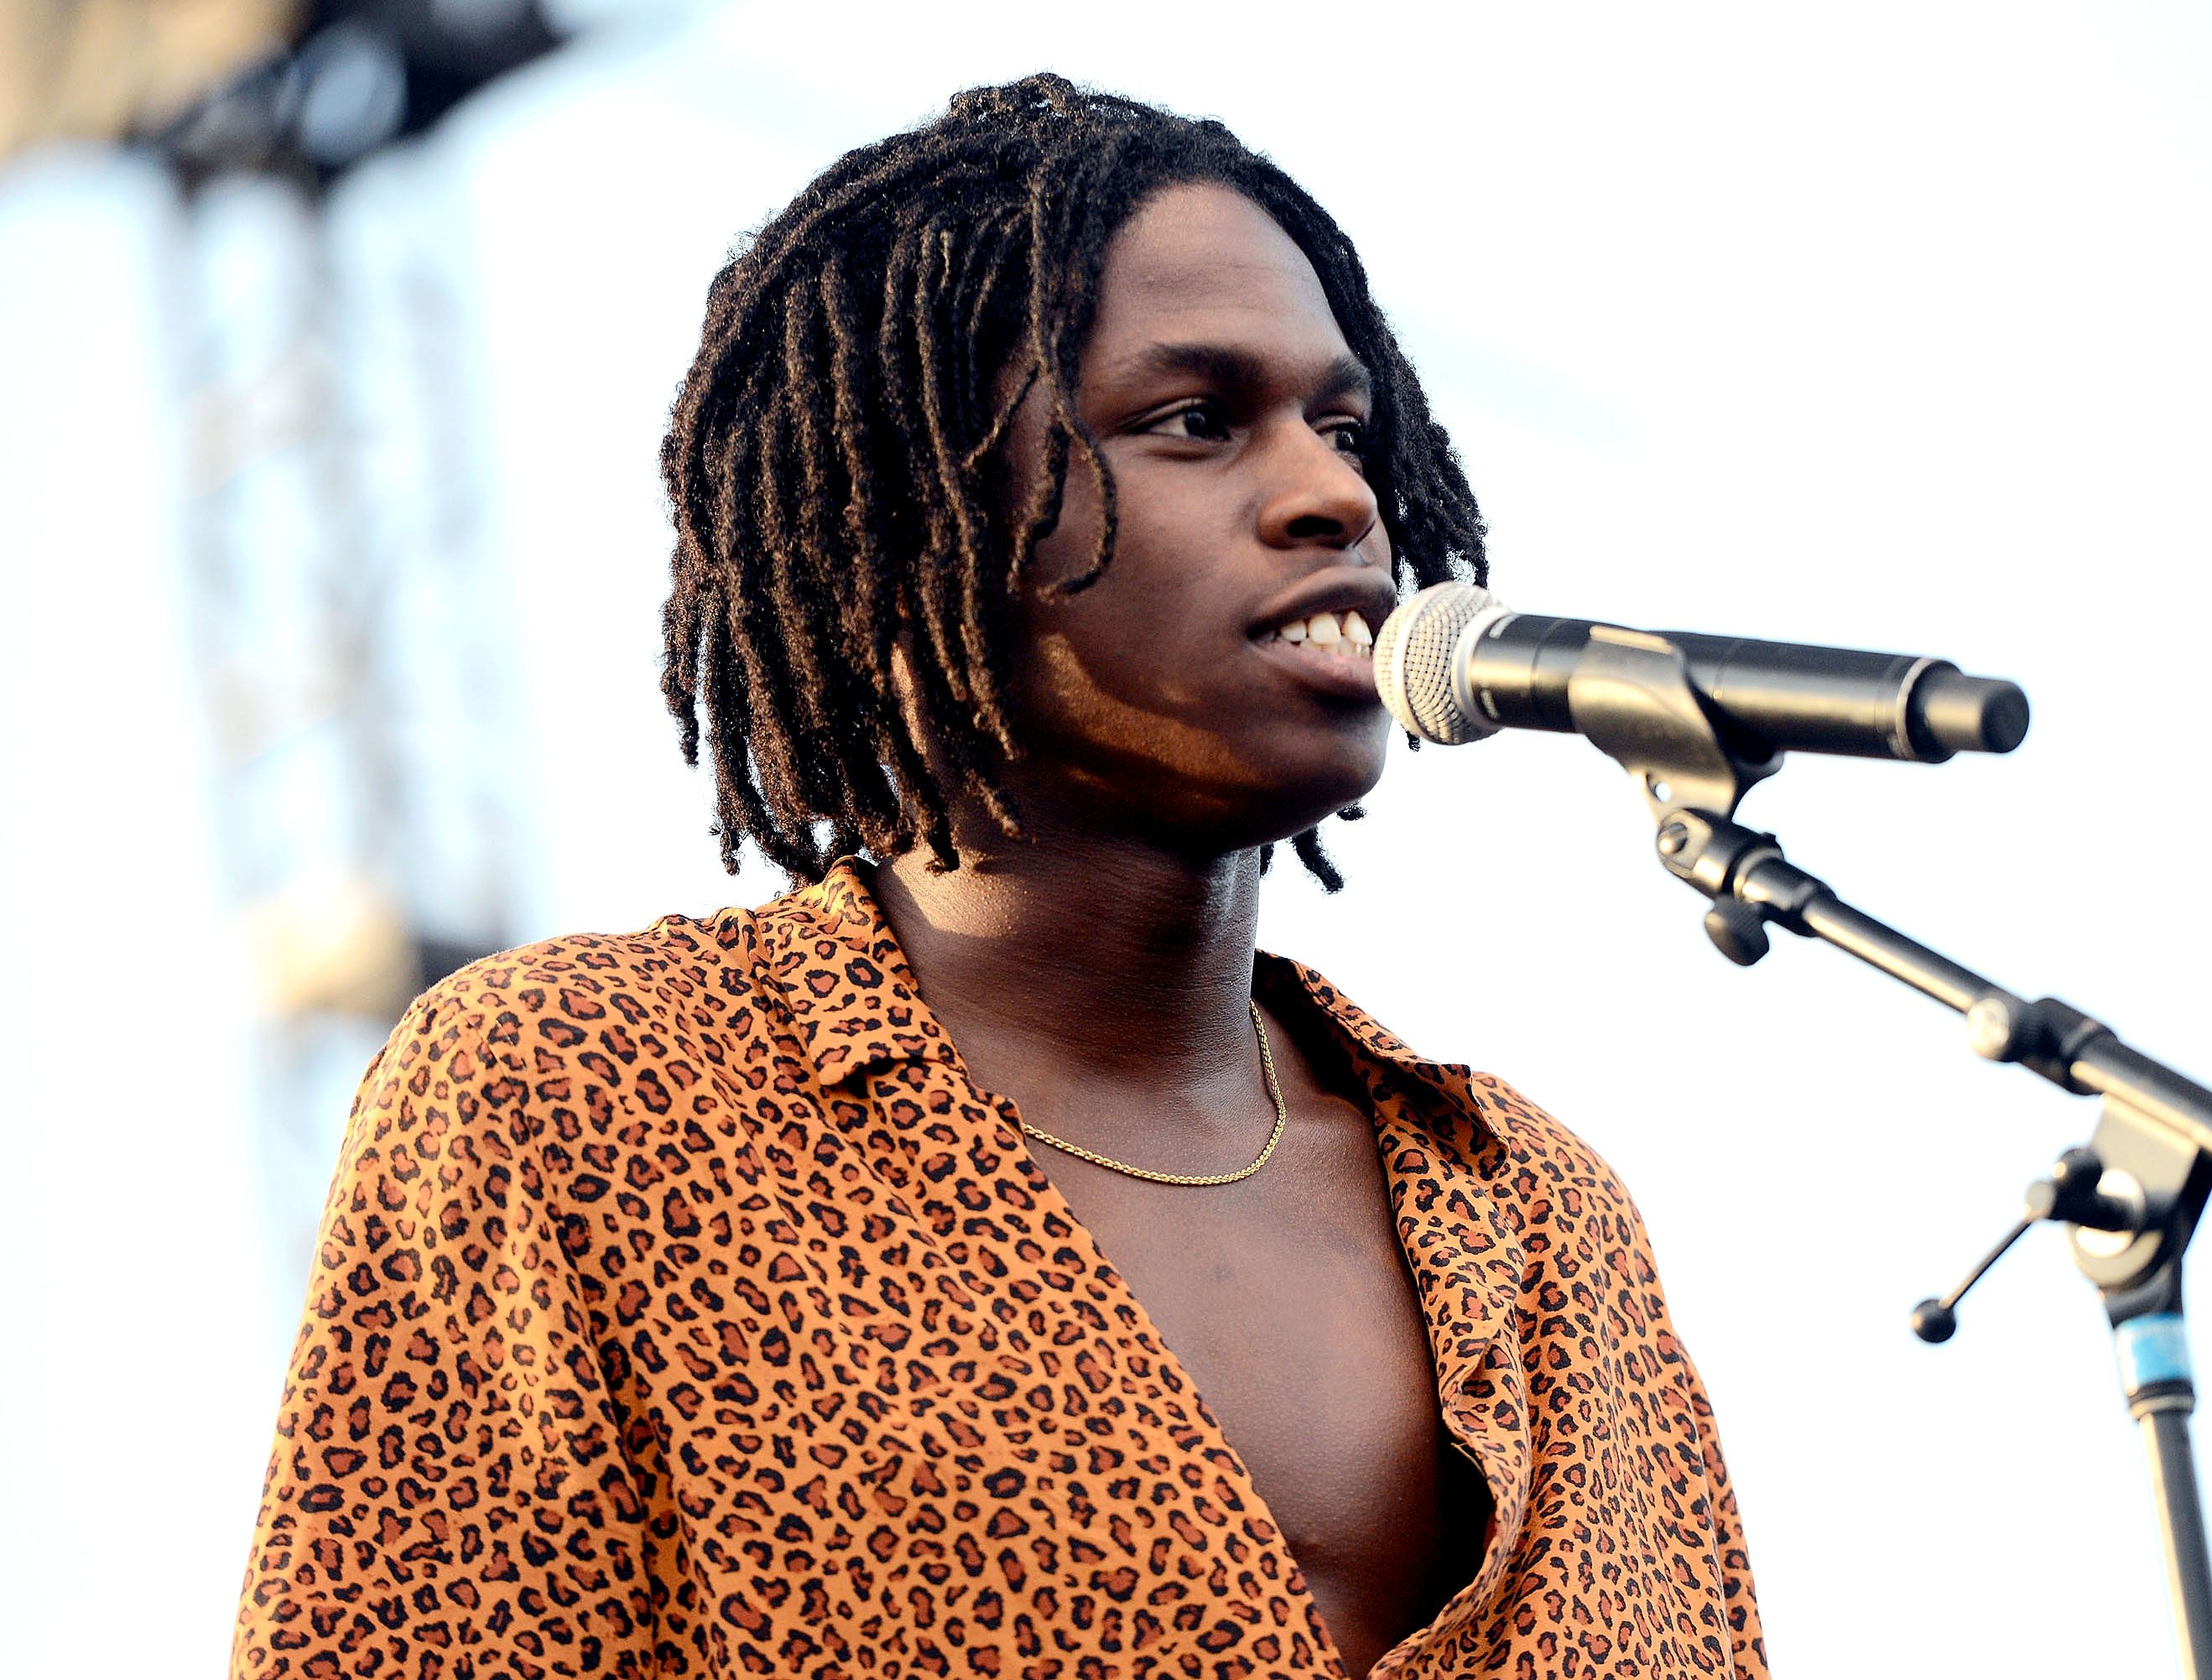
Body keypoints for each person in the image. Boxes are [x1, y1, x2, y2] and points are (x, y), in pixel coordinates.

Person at [232, 75, 1768, 1680]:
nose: (1337, 497)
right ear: (922, 524)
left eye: (1343, 427)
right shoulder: (586, 1091)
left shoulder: (1536, 1212)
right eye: (1194, 421)